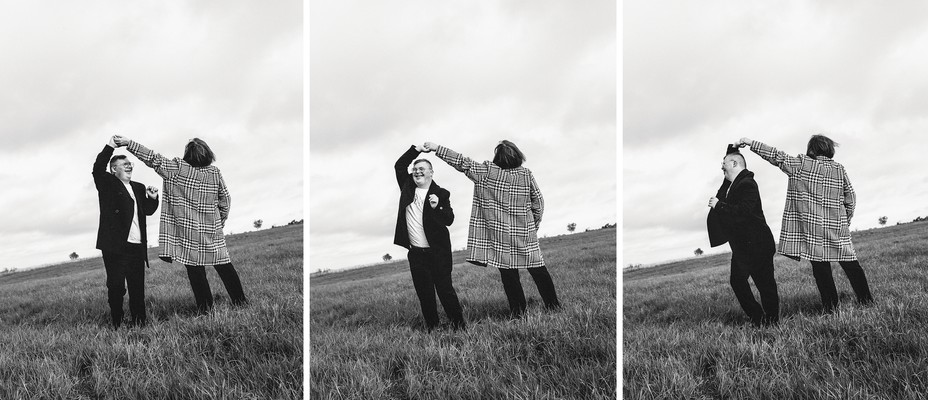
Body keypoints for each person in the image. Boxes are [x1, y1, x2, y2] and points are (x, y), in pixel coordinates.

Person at [736, 135, 873, 313]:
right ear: (829, 149)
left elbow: (776, 155)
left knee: (821, 269)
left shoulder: (801, 164)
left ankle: (831, 309)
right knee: (851, 265)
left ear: (812, 149)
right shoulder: (839, 169)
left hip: (813, 229)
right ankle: (866, 302)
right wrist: (845, 220)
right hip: (837, 226)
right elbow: (851, 198)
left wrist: (750, 142)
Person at [423, 140, 560, 317]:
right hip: (525, 232)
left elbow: (462, 162)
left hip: (500, 234)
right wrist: (534, 226)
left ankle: (519, 313)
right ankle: (553, 307)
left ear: (497, 157)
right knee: (538, 270)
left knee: (509, 275)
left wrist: (437, 148)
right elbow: (538, 202)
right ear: (518, 155)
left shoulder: (486, 172)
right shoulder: (526, 174)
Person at [113, 135, 247, 313]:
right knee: (224, 265)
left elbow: (152, 158)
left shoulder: (176, 169)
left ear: (187, 155)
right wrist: (219, 222)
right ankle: (241, 303)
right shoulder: (214, 173)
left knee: (196, 272)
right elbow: (225, 199)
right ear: (208, 153)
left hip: (188, 231)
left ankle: (206, 309)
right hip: (212, 229)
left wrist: (129, 143)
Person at [393, 145, 466, 331]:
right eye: (415, 169)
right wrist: (415, 150)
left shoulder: (441, 193)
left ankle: (459, 326)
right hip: (417, 254)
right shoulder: (407, 186)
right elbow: (399, 166)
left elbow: (449, 220)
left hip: (438, 252)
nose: (417, 172)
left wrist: (437, 207)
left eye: (422, 169)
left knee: (445, 290)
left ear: (431, 173)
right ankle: (433, 328)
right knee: (425, 294)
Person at [707, 145, 779, 326]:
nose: (721, 167)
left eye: (724, 164)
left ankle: (771, 322)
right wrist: (730, 149)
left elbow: (743, 212)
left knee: (765, 286)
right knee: (738, 282)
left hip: (758, 244)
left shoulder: (748, 184)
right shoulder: (731, 185)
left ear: (734, 163)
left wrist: (719, 206)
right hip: (742, 247)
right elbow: (724, 185)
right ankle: (758, 317)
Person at [93, 136, 160, 329]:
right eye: (124, 164)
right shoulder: (107, 184)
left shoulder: (138, 187)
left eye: (130, 163)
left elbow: (146, 211)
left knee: (137, 288)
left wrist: (153, 198)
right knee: (116, 288)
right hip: (115, 247)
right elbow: (98, 167)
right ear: (114, 169)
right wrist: (110, 146)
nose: (129, 166)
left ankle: (140, 322)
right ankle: (117, 322)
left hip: (136, 247)